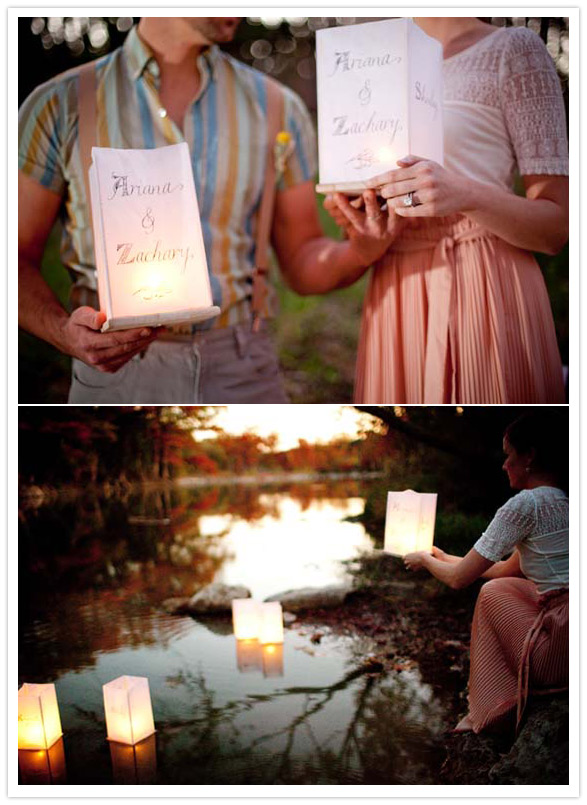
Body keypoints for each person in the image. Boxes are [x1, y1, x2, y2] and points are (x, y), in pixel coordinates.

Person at [18, 17, 383, 404]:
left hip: (245, 370)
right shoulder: (59, 105)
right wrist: (63, 332)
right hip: (114, 381)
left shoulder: (279, 109)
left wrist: (361, 249)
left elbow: (303, 260)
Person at [326, 17, 569, 404]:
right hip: (396, 283)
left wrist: (467, 194)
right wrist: (362, 220)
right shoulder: (362, 61)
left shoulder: (513, 49)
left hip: (485, 277)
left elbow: (557, 227)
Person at [403, 412, 568, 733]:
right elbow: (502, 568)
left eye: (508, 455)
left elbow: (458, 580)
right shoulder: (565, 500)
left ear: (529, 455)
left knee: (492, 594)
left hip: (563, 654)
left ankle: (488, 709)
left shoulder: (525, 505)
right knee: (507, 585)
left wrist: (424, 560)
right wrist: (442, 554)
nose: (504, 464)